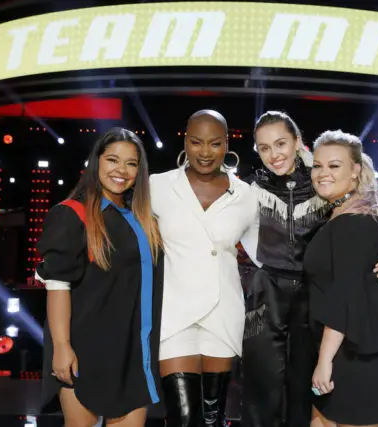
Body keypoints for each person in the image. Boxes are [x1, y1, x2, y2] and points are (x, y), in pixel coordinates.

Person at [240, 111, 378, 427]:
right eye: (264, 147)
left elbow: (365, 219)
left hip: (315, 296)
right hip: (267, 291)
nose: (274, 154)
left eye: (280, 143)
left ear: (297, 142)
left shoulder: (322, 177)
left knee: (305, 386)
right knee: (261, 384)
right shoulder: (251, 185)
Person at [35, 128, 163, 427]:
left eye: (131, 163)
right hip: (85, 348)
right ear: (96, 162)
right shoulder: (72, 213)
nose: (121, 170)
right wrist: (62, 347)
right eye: (113, 160)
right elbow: (57, 286)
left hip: (134, 351)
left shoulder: (144, 219)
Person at [149, 110, 260, 427]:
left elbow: (270, 252)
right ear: (185, 141)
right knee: (183, 417)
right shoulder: (157, 186)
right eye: (196, 142)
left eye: (214, 143)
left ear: (227, 143)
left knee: (213, 419)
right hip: (174, 315)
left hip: (222, 312)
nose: (205, 152)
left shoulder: (246, 195)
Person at [304, 130, 378, 427]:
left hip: (355, 352)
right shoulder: (339, 216)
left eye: (334, 166)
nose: (322, 173)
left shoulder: (356, 222)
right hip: (339, 347)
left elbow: (344, 297)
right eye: (317, 165)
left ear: (356, 170)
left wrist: (324, 361)